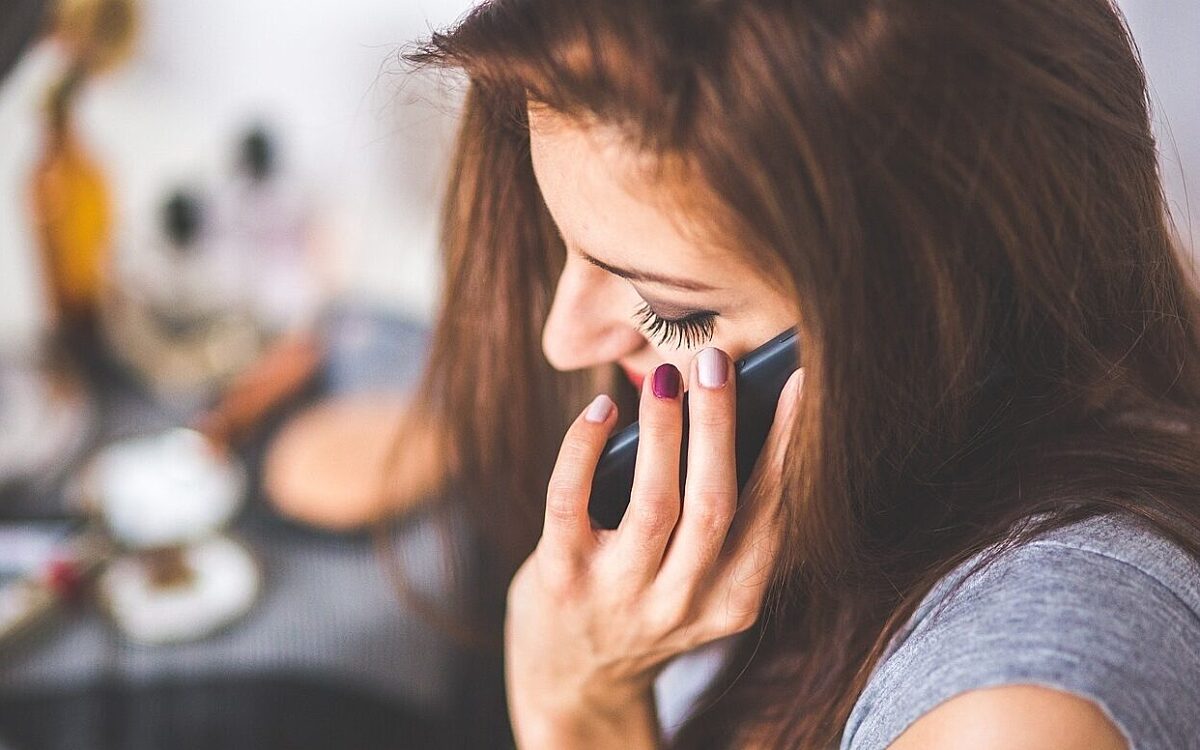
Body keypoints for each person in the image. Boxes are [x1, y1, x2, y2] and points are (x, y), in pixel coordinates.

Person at [271, 0, 1200, 747]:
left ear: (939, 316)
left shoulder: (1014, 722)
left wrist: (581, 710)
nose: (564, 338)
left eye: (672, 311)